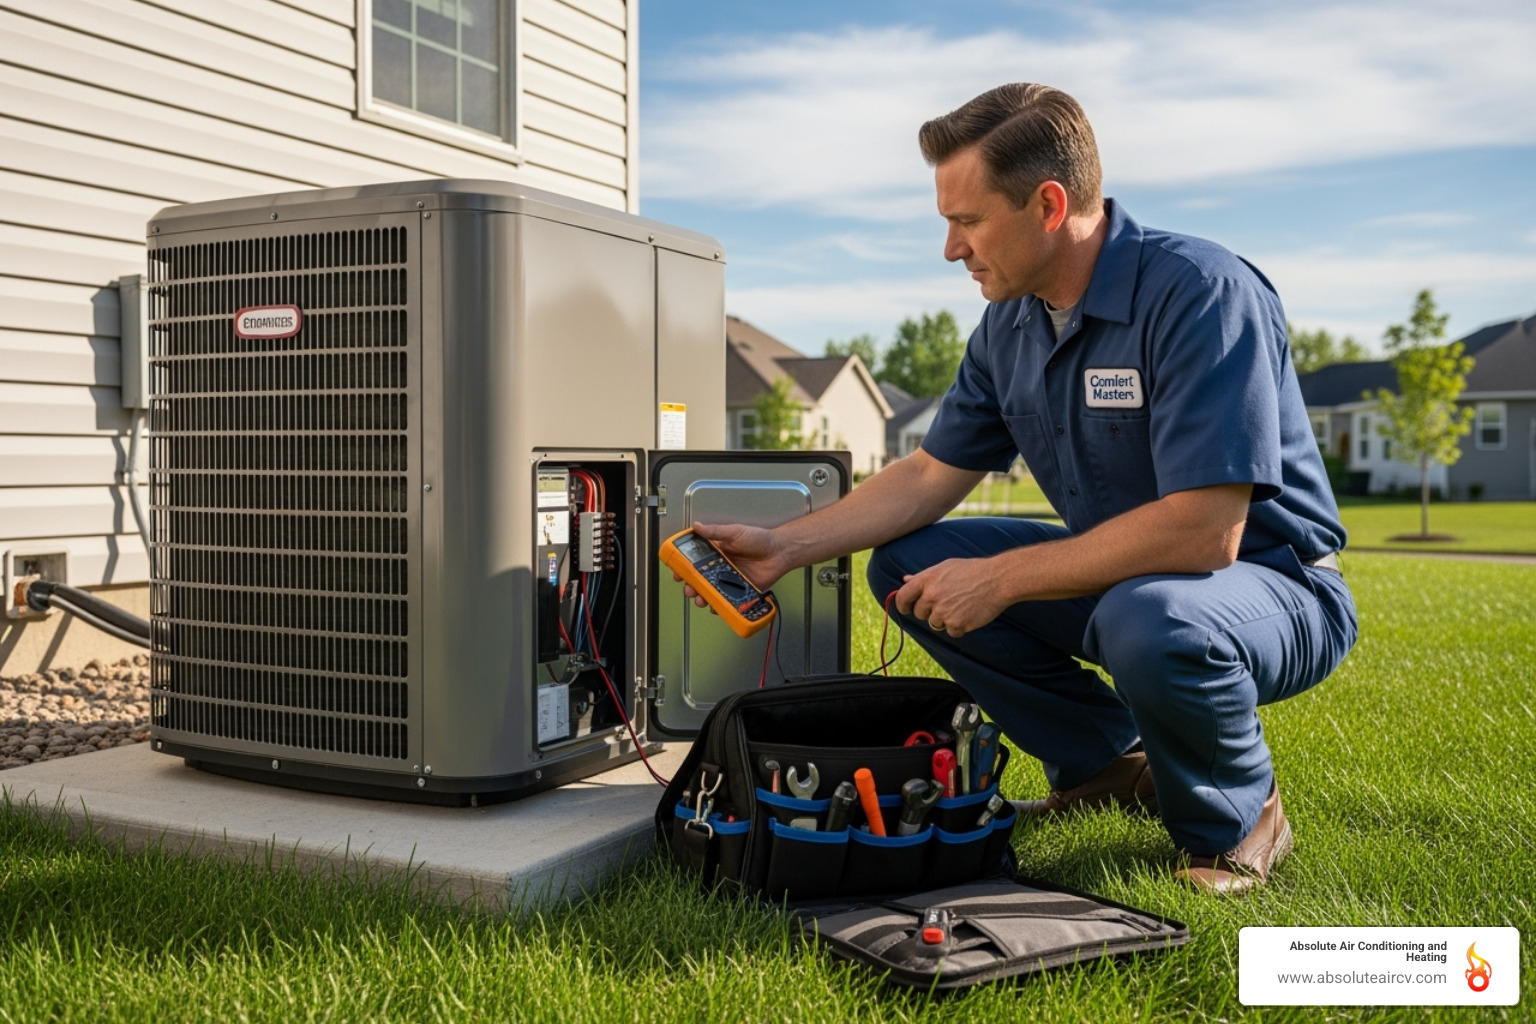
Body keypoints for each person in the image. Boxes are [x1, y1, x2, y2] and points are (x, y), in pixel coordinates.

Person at [684, 83, 1358, 894]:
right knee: (909, 568)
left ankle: (1239, 818)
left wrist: (1000, 579)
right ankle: (1108, 762)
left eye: (966, 221)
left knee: (1149, 617)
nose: (950, 248)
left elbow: (1203, 535)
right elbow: (930, 475)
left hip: (1274, 585)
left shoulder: (1200, 293)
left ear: (1047, 204)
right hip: (1128, 584)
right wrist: (785, 547)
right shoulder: (1008, 325)